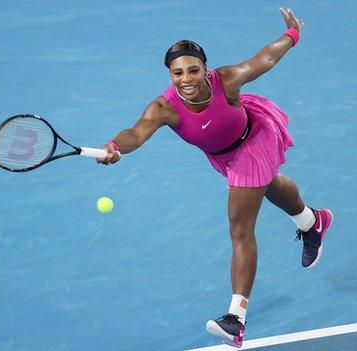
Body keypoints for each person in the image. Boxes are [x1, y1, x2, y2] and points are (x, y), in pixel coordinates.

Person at [96, 7, 333, 348]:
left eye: (193, 70)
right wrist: (115, 146)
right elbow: (136, 133)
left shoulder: (228, 80)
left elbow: (264, 59)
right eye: (177, 73)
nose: (186, 79)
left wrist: (292, 34)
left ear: (205, 69)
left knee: (240, 224)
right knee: (269, 185)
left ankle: (236, 319)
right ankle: (313, 221)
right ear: (169, 74)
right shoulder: (163, 109)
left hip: (253, 138)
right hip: (222, 154)